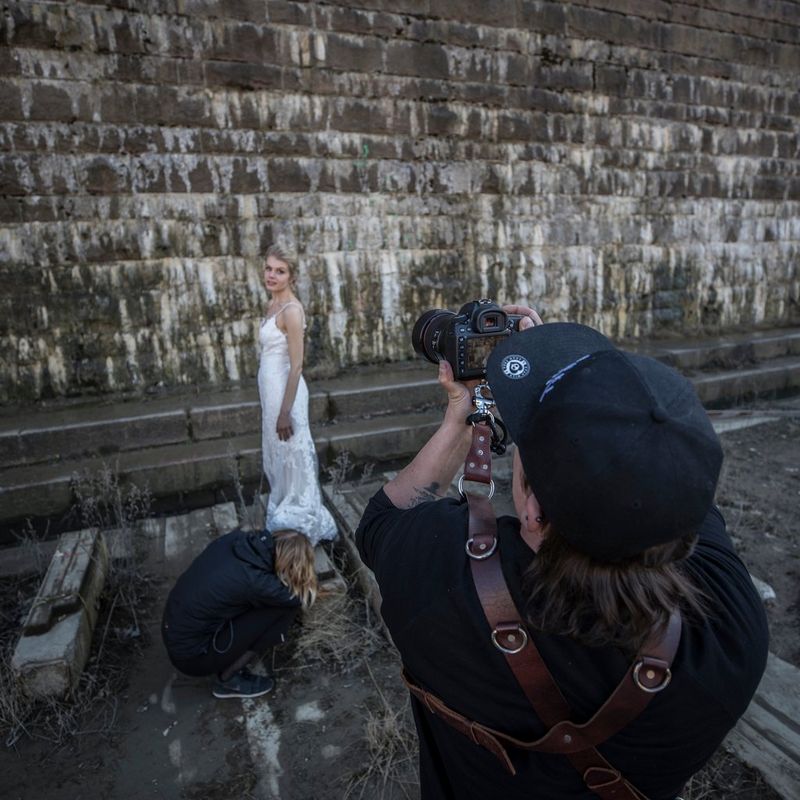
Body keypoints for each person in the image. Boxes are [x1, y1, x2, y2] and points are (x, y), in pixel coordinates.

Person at [356, 311, 769, 800]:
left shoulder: (440, 582)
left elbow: (382, 521)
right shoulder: (733, 630)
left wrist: (462, 419)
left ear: (533, 512)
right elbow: (655, 461)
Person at [162, 528, 317, 698]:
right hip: (193, 657)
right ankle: (228, 679)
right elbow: (297, 597)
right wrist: (303, 579)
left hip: (175, 630)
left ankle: (228, 657)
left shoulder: (236, 540)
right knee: (283, 608)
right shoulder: (256, 581)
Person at [258, 244, 337, 546]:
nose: (272, 275)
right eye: (269, 268)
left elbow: (297, 364)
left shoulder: (292, 310)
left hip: (286, 394)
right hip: (270, 391)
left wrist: (283, 411)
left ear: (291, 276)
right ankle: (284, 505)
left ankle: (302, 515)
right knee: (277, 454)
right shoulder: (271, 306)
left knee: (293, 451)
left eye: (280, 271)